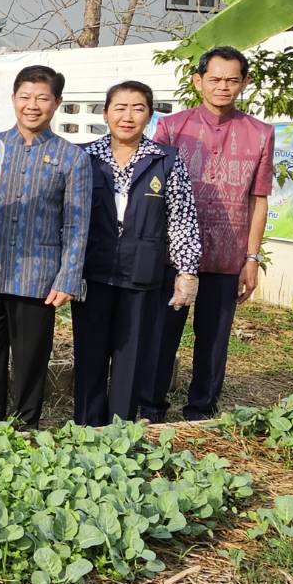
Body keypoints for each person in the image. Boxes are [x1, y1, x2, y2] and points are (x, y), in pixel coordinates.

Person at [0, 65, 91, 430]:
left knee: (31, 360)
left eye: (42, 98)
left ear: (57, 103)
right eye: (25, 97)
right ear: (13, 99)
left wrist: (68, 277)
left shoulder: (72, 158)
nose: (33, 105)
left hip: (38, 277)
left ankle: (26, 427)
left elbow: (76, 224)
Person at [149, 46, 275, 421]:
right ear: (198, 81)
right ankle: (150, 409)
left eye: (231, 80)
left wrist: (251, 258)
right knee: (162, 335)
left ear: (244, 83)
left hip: (227, 255)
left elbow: (258, 200)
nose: (223, 86)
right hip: (172, 255)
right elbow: (154, 191)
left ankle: (201, 411)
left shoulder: (261, 134)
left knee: (214, 340)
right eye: (215, 79)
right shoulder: (172, 128)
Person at [70, 81, 201, 426]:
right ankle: (86, 429)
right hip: (92, 272)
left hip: (143, 274)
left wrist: (187, 271)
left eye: (138, 108)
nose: (127, 116)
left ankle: (121, 432)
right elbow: (66, 214)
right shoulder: (83, 157)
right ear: (105, 113)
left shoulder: (166, 160)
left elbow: (182, 218)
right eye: (120, 107)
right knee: (89, 355)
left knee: (131, 358)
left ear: (149, 115)